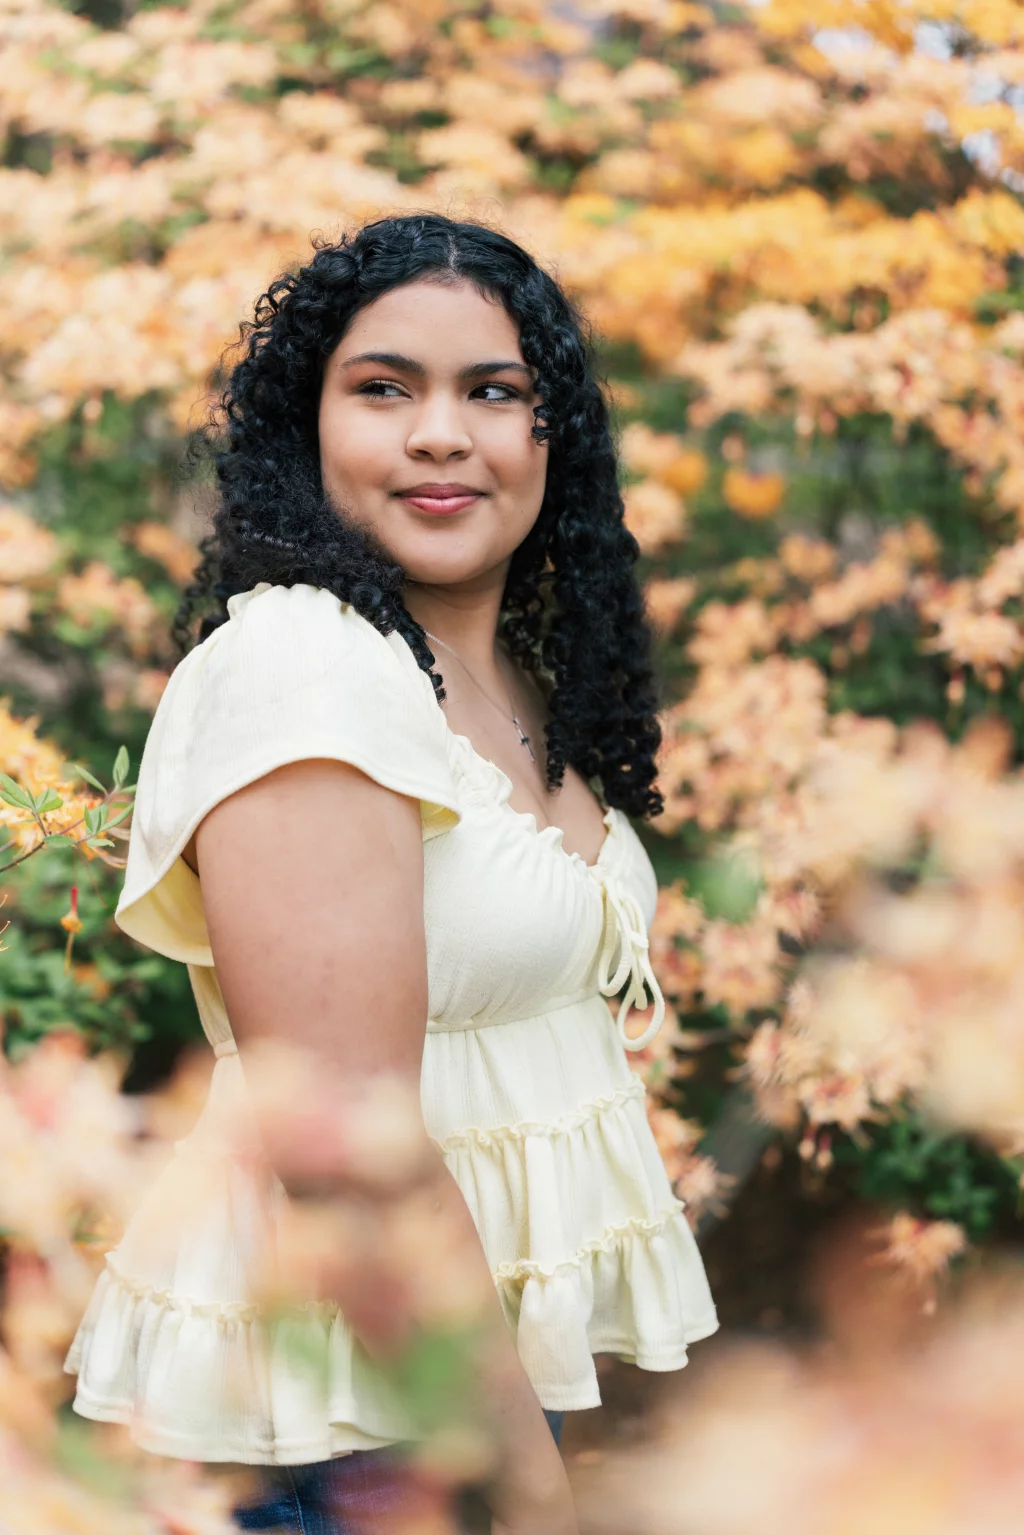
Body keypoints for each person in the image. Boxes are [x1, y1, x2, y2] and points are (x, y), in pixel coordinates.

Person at [64, 213, 719, 1532]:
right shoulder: (305, 671)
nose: (439, 434)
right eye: (383, 389)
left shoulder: (503, 675)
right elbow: (342, 1145)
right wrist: (524, 1490)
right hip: (328, 1431)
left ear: (554, 438)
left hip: (445, 1403)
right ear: (307, 429)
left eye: (494, 391)